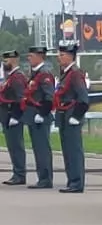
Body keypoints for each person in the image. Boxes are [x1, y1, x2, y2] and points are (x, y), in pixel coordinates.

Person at [53, 42, 91, 193]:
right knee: (67, 151)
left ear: (70, 56)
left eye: (62, 55)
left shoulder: (75, 73)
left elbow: (83, 98)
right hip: (64, 115)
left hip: (71, 115)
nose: (59, 57)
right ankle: (72, 181)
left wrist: (76, 116)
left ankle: (76, 182)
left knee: (74, 151)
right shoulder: (66, 73)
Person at [22, 44, 57, 190]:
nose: (29, 58)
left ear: (39, 56)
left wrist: (42, 113)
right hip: (33, 116)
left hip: (40, 116)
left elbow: (49, 97)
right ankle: (42, 177)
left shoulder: (44, 74)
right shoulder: (35, 74)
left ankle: (46, 179)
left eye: (31, 56)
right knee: (37, 148)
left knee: (42, 149)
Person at [0, 50, 25, 186]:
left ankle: (20, 174)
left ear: (14, 60)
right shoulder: (10, 77)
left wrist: (16, 116)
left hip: (13, 116)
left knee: (16, 146)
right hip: (7, 116)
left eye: (6, 60)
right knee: (12, 146)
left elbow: (21, 98)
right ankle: (17, 173)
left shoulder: (17, 77)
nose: (4, 63)